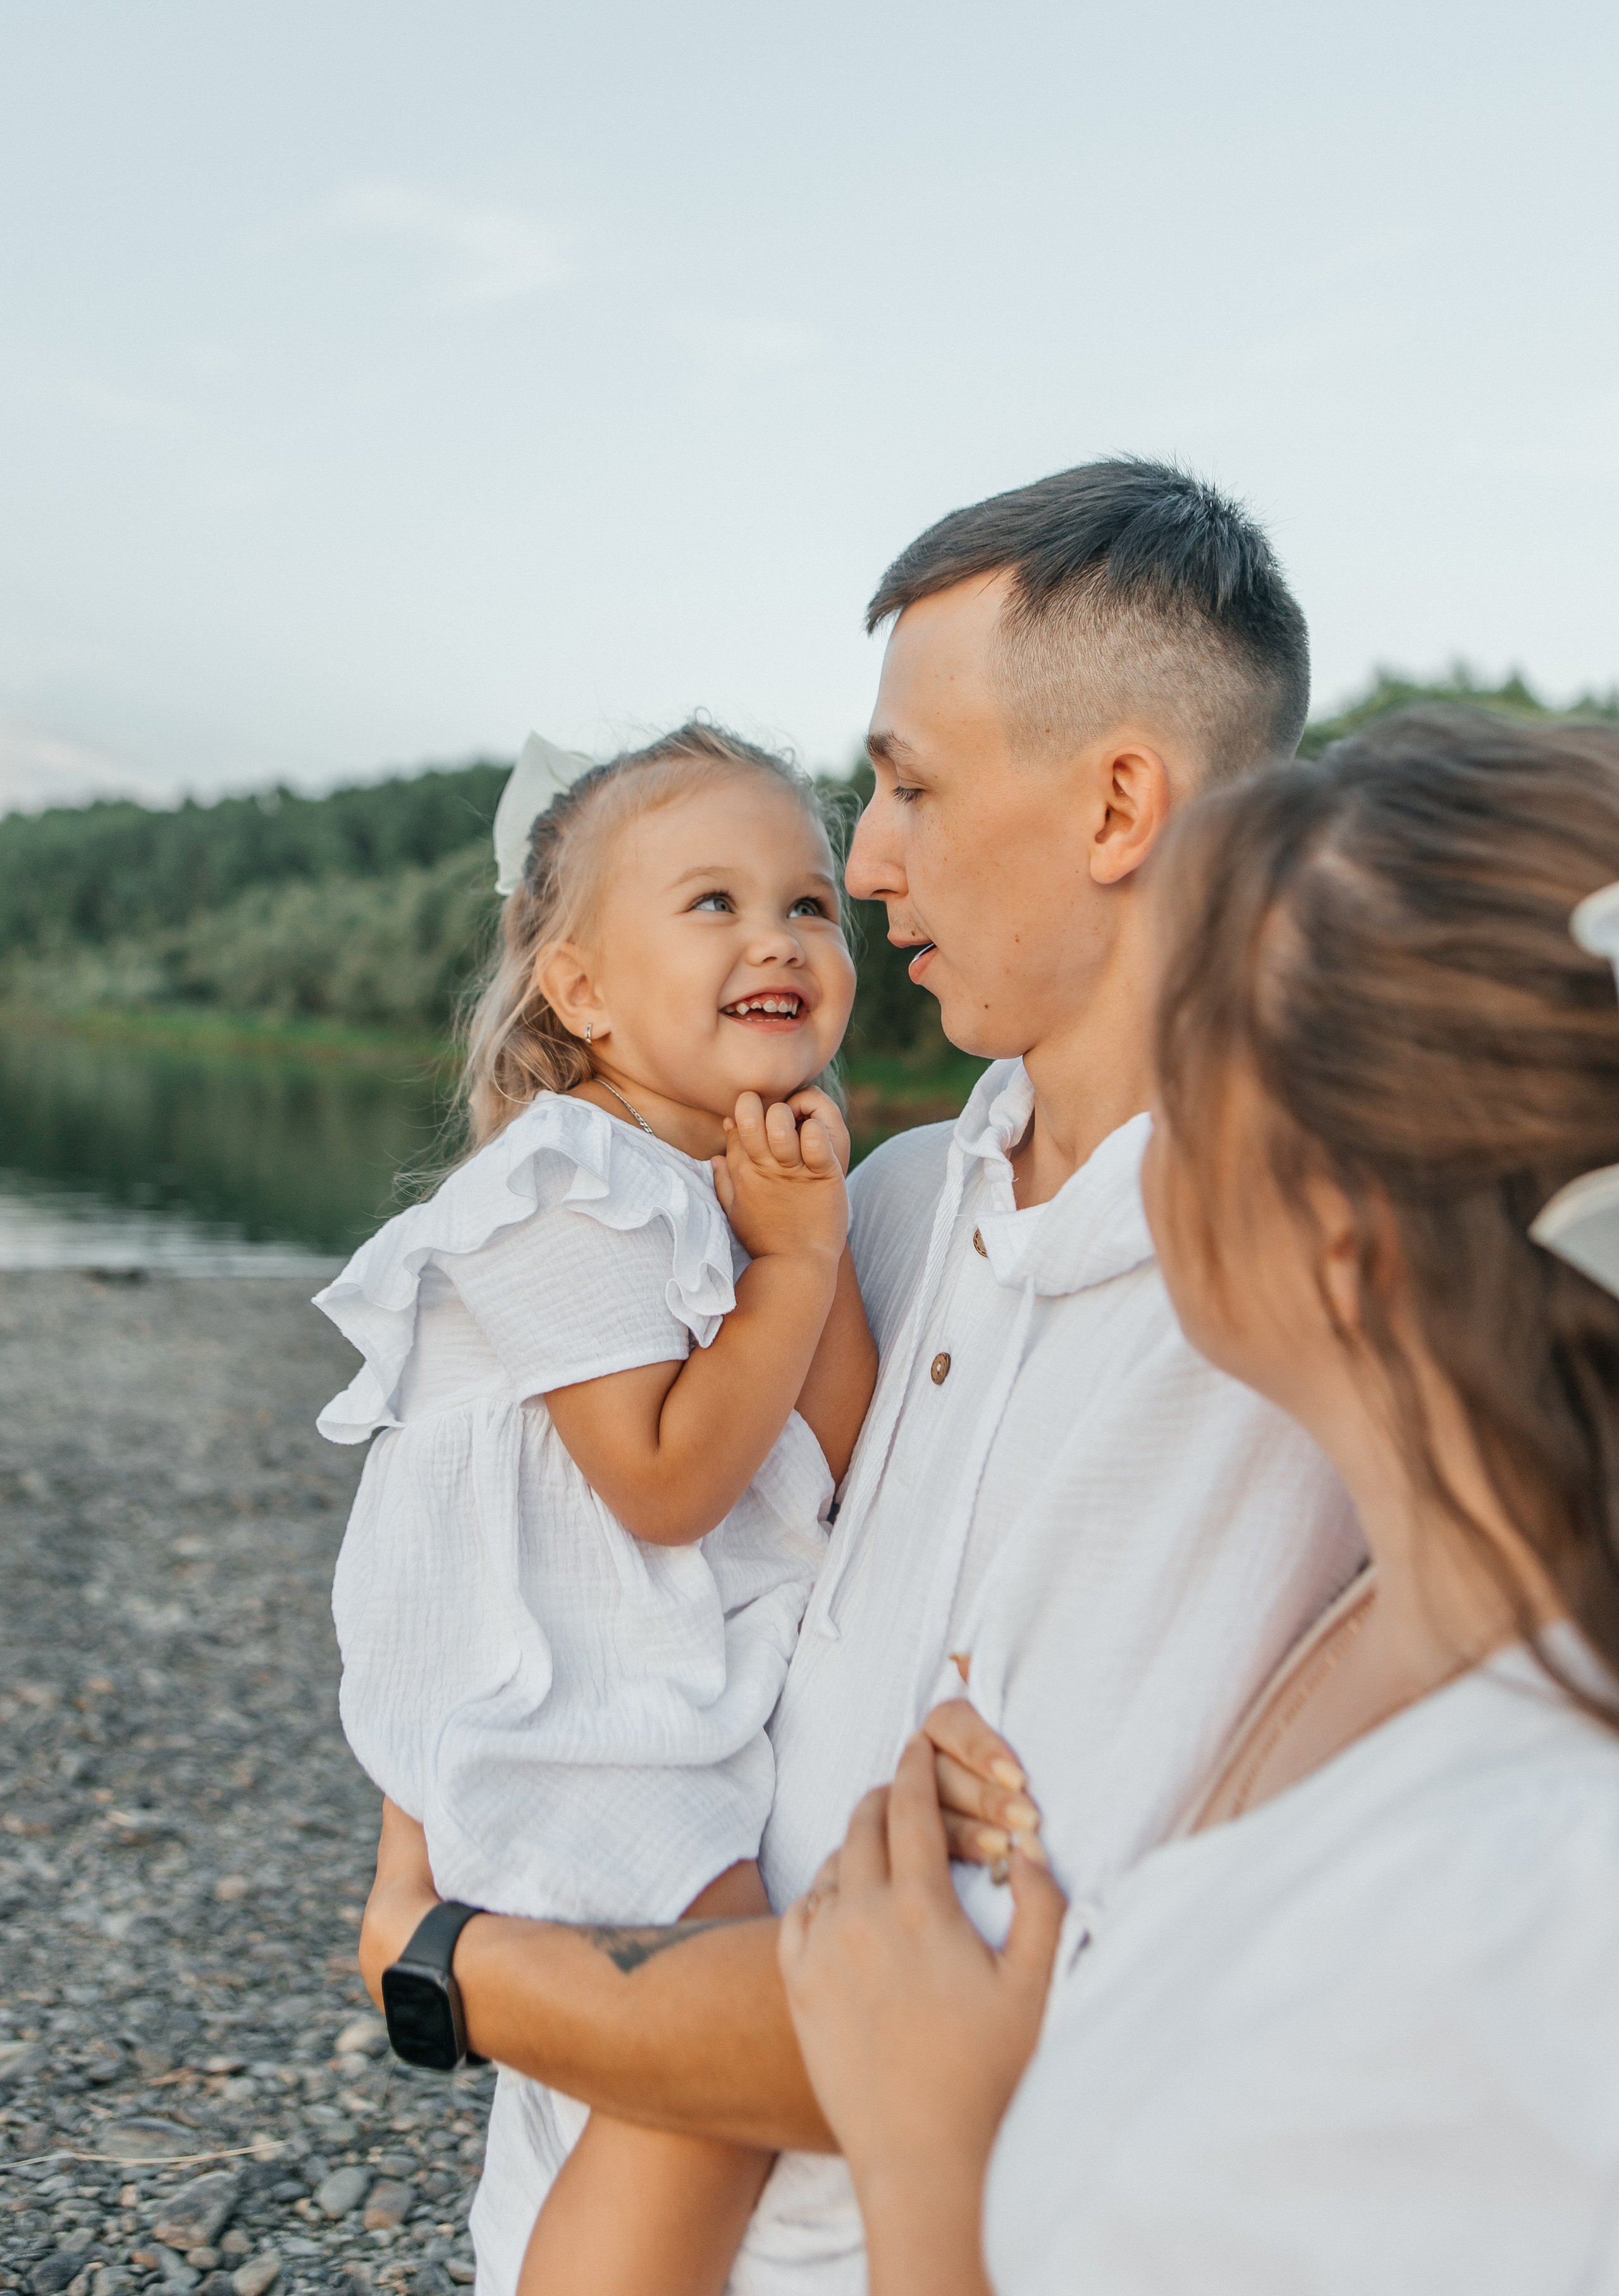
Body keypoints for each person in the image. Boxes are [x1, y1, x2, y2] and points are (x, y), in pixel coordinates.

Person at [359, 462, 1362, 2295]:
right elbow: (576, 1531)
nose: (869, 864)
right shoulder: (873, 1208)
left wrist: (454, 1964)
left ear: (1121, 801)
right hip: (563, 2211)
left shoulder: (1309, 1305)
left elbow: (1034, 1995)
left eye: (906, 786)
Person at [780, 711, 1619, 2296]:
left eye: (1188, 1055)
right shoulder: (1417, 1632)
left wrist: (928, 2160)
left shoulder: (1518, 1930)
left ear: (1341, 1244)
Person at [316, 721, 877, 2296]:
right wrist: (793, 1268)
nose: (775, 935)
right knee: (716, 2065)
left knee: (679, 2068)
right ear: (581, 992)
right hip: (552, 1697)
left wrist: (804, 1237)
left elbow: (840, 1446)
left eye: (811, 904)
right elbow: (665, 1485)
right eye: (711, 904)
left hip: (657, 1691)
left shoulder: (760, 1178)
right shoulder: (558, 1182)